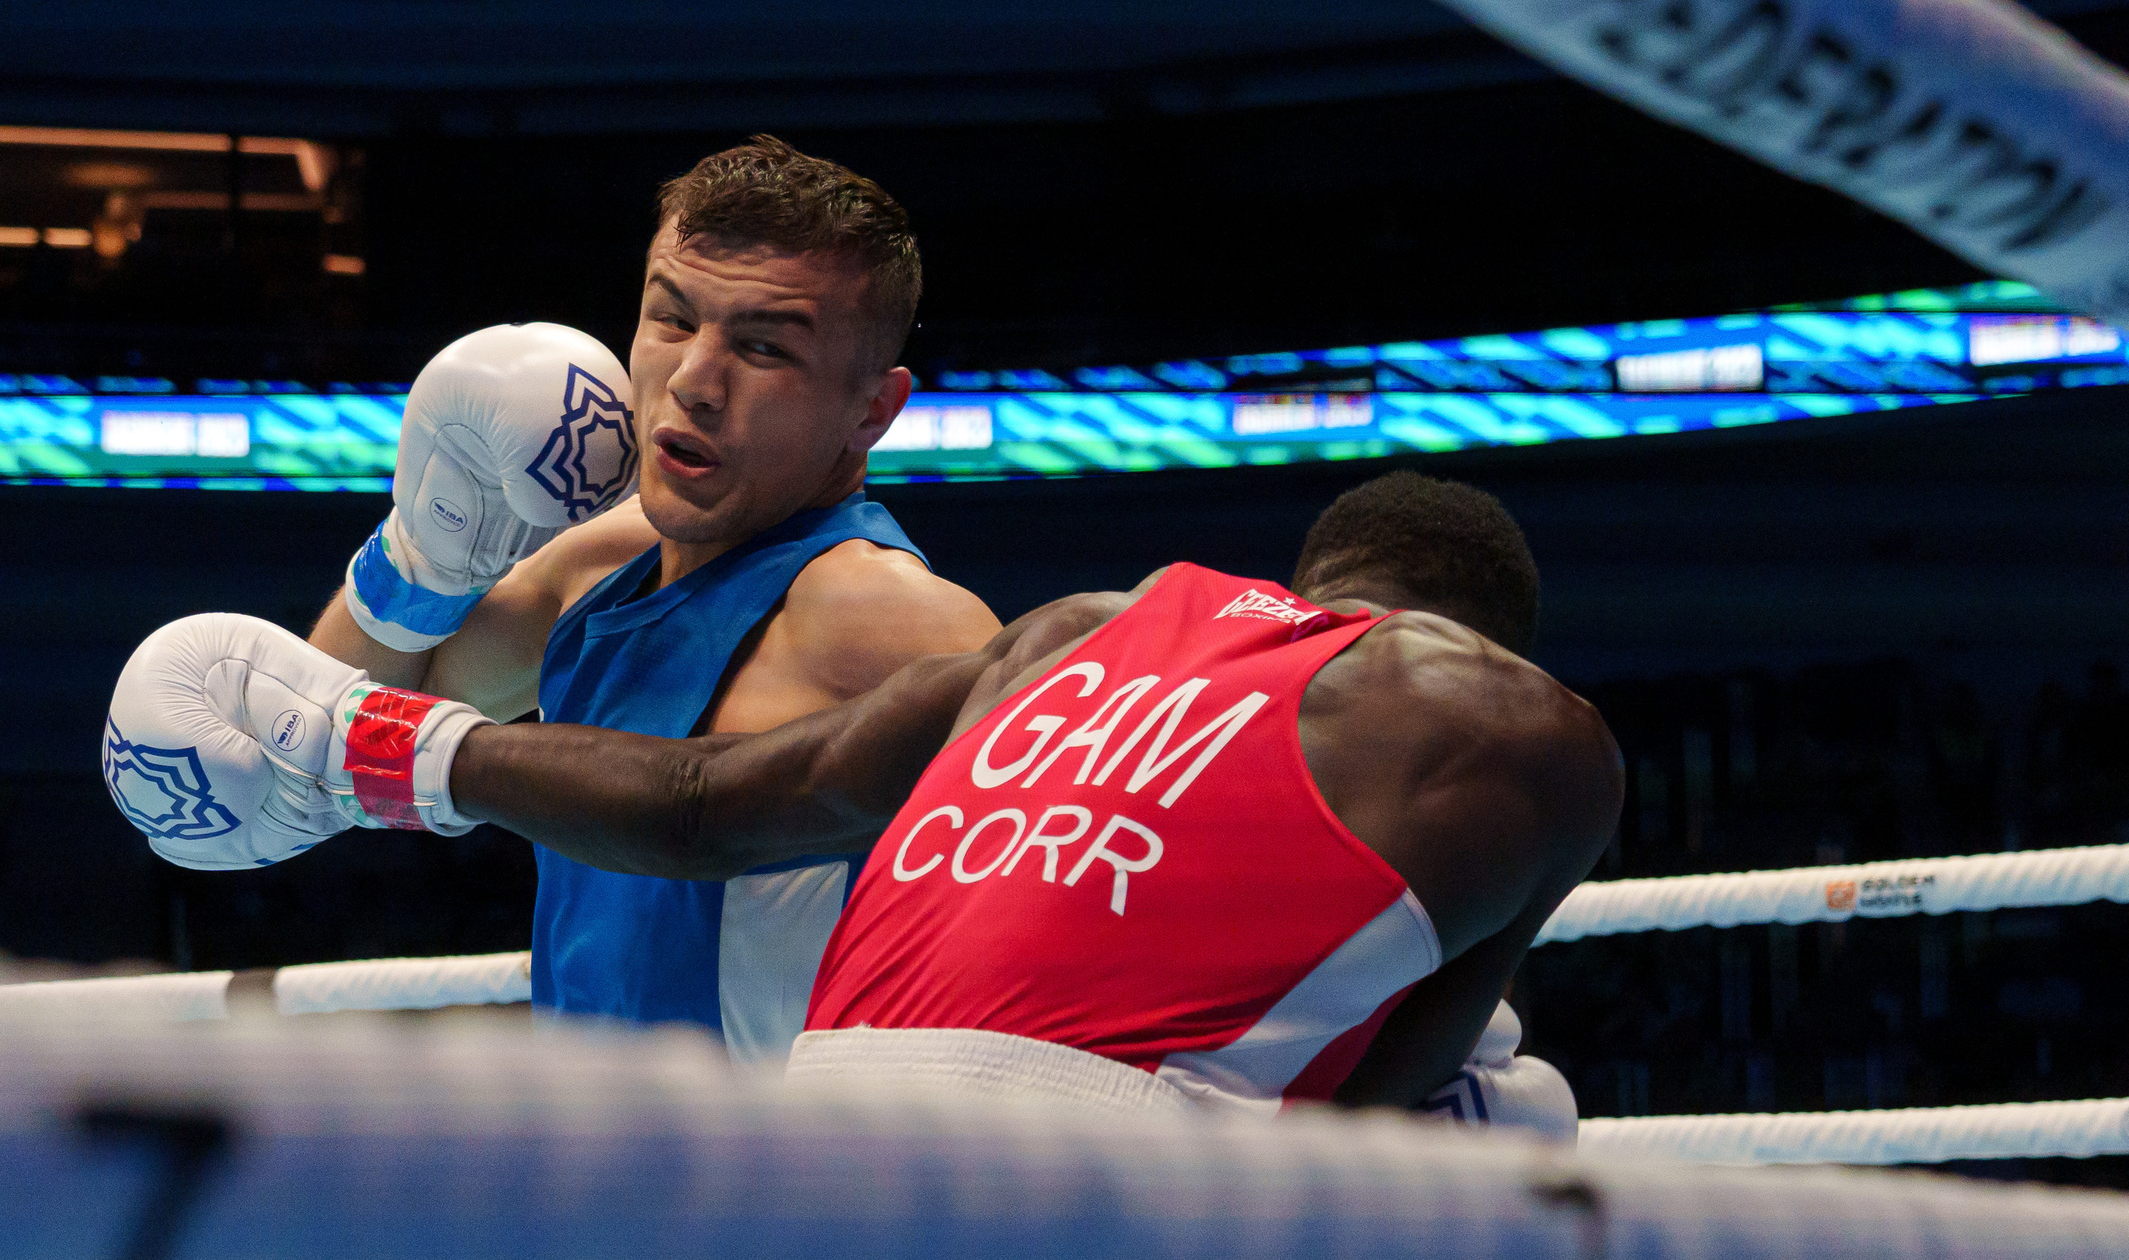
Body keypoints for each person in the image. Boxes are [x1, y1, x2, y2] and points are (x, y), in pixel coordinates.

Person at [110, 471, 1613, 1127]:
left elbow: (701, 803)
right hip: (1116, 1177)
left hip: (821, 1138)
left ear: (1307, 581)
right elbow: (1369, 1109)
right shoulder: (1531, 731)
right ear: (1489, 635)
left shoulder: (1069, 630)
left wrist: (378, 736)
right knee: (1489, 1150)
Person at [106, 137, 997, 1064]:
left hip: (787, 1188)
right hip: (596, 1172)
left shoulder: (890, 616)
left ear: (871, 412)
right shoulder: (605, 566)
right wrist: (422, 550)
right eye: (672, 318)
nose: (694, 380)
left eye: (764, 346)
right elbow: (334, 718)